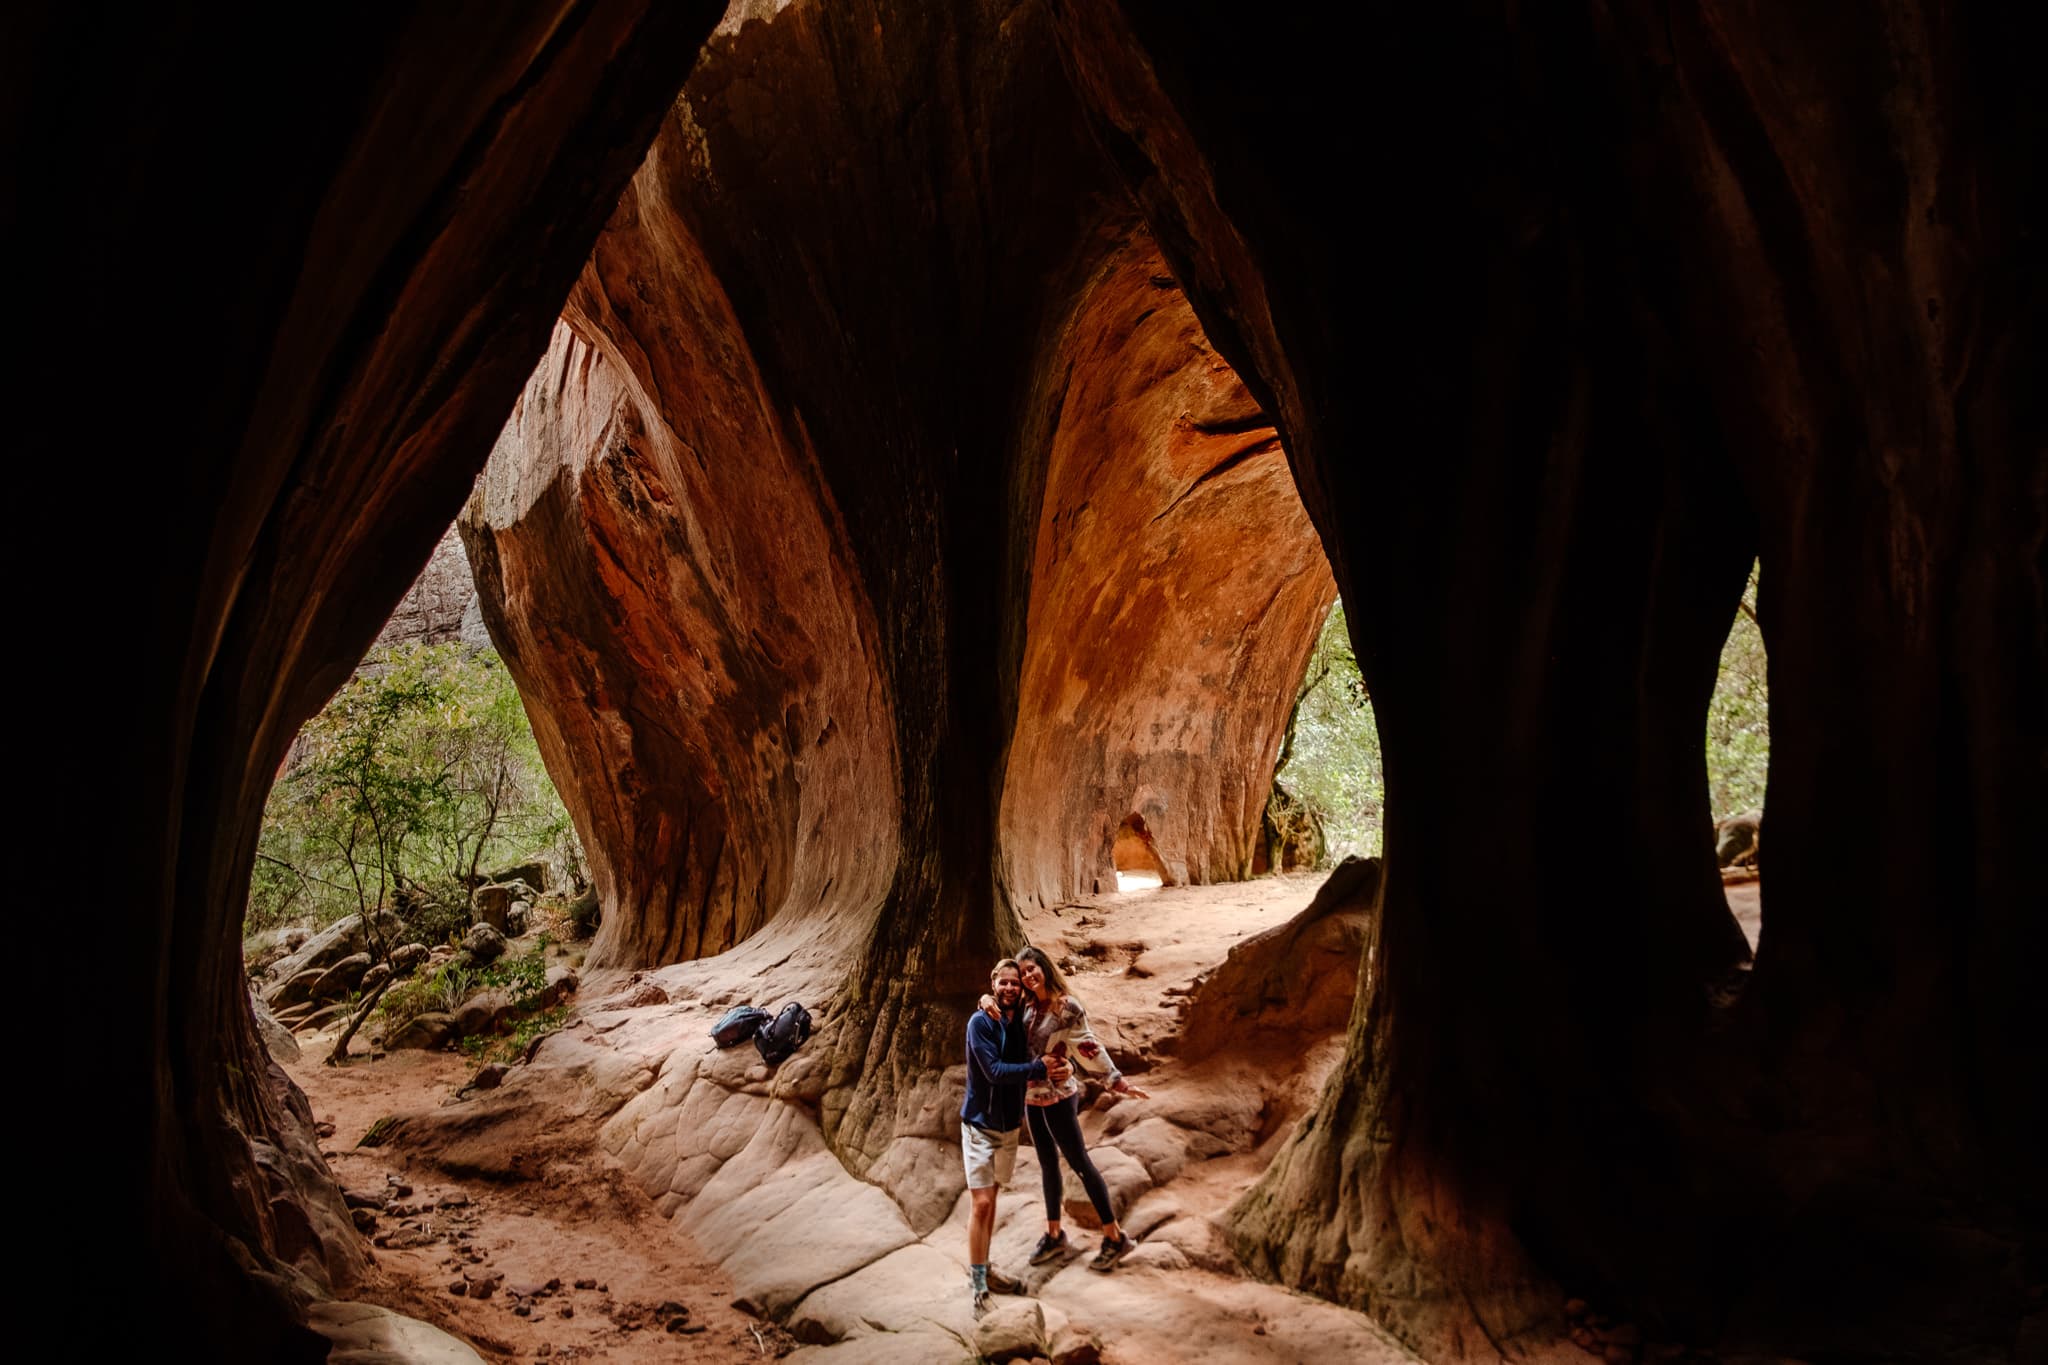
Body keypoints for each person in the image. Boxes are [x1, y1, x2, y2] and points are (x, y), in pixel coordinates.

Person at [984, 944, 1150, 1273]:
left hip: (1059, 1096)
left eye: (1033, 969)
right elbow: (1003, 1018)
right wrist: (985, 999)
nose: (1028, 976)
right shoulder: (1026, 1006)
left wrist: (1116, 1081)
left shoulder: (1066, 1007)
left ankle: (1115, 1237)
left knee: (1080, 1163)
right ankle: (1055, 1234)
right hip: (1033, 1097)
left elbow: (1088, 1044)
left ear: (1044, 967)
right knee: (1047, 1166)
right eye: (1023, 973)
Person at [961, 957, 1070, 1317]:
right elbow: (992, 1072)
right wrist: (1038, 1068)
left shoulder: (1020, 1019)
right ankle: (977, 1286)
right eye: (1002, 982)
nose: (1009, 988)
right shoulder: (981, 1022)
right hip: (979, 1125)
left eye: (1014, 983)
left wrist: (1065, 1065)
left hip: (1007, 1126)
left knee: (991, 1200)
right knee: (980, 1204)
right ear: (993, 983)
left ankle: (986, 1269)